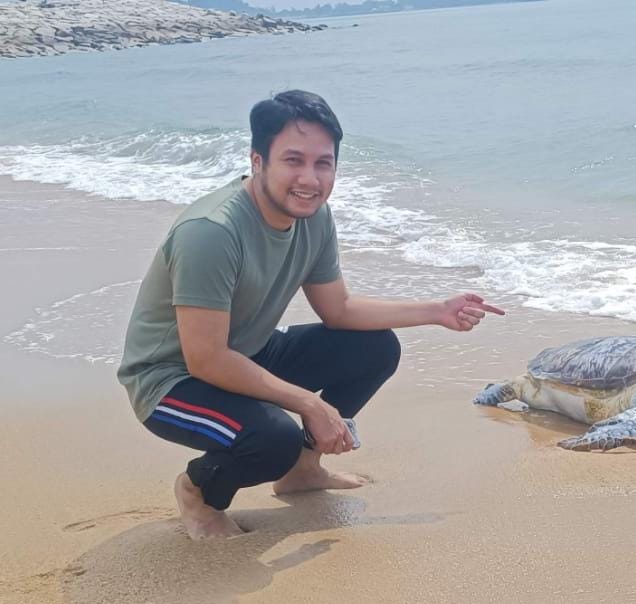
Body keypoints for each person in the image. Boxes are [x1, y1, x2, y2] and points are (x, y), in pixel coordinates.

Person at [117, 90, 504, 540]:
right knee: (273, 438)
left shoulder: (314, 217)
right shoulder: (212, 233)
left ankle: (301, 470)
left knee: (375, 347)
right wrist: (308, 402)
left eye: (323, 163)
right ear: (257, 160)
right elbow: (205, 359)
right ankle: (199, 491)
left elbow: (337, 309)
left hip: (247, 351)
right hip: (171, 379)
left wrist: (436, 310)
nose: (310, 178)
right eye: (293, 160)